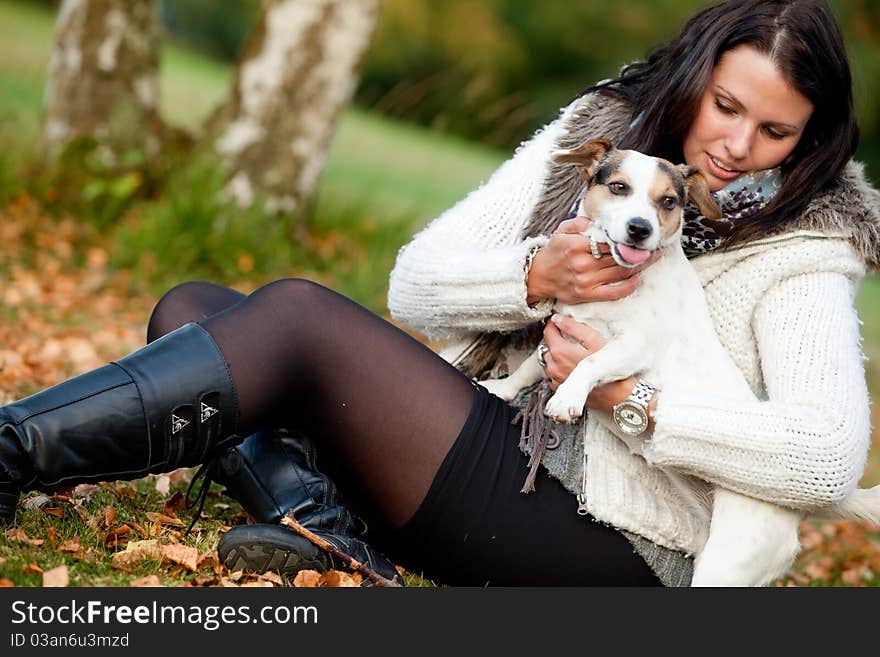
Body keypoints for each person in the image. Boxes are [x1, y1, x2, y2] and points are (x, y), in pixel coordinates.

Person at [1, 0, 879, 586]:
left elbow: (826, 457)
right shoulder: (602, 145)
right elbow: (413, 284)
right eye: (726, 106)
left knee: (298, 317)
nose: (736, 145)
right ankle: (325, 529)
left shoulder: (801, 249)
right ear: (695, 76)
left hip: (615, 535)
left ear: (809, 143)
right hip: (502, 441)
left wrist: (627, 398)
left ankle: (10, 453)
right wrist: (535, 276)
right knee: (197, 308)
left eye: (775, 131)